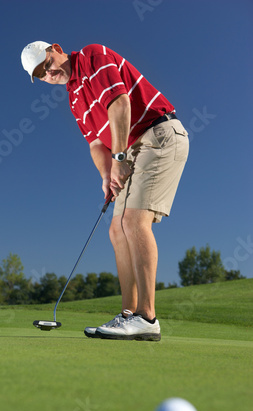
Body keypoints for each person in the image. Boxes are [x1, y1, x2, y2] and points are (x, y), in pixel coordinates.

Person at [21, 41, 189, 341]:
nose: (50, 73)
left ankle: (147, 318)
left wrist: (120, 158)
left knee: (133, 221)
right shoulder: (74, 98)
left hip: (158, 135)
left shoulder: (91, 54)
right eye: (42, 75)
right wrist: (106, 175)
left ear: (56, 49)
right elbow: (96, 144)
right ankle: (129, 316)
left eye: (48, 64)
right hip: (132, 148)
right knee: (116, 229)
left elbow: (120, 103)